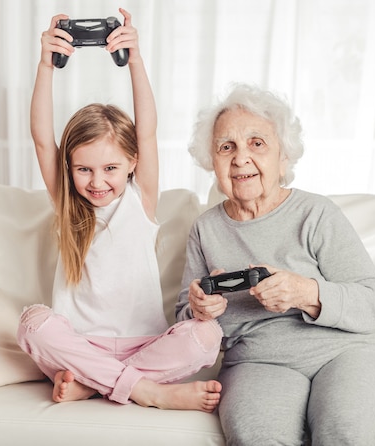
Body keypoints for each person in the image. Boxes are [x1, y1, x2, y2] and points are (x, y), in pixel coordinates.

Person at [176, 83, 375, 444]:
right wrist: (199, 311)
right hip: (258, 363)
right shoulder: (205, 230)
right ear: (212, 161)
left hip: (350, 352)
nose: (240, 159)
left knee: (344, 433)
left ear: (283, 157)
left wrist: (306, 293)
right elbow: (182, 320)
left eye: (257, 143)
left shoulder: (315, 213)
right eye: (227, 147)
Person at [16, 9, 223, 413]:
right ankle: (147, 390)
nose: (97, 181)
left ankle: (96, 384)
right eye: (83, 169)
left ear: (132, 163)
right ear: (69, 169)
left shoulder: (139, 198)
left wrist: (136, 60)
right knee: (33, 324)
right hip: (79, 346)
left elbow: (146, 129)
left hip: (142, 344)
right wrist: (45, 65)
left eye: (110, 168)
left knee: (207, 336)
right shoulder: (68, 204)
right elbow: (43, 140)